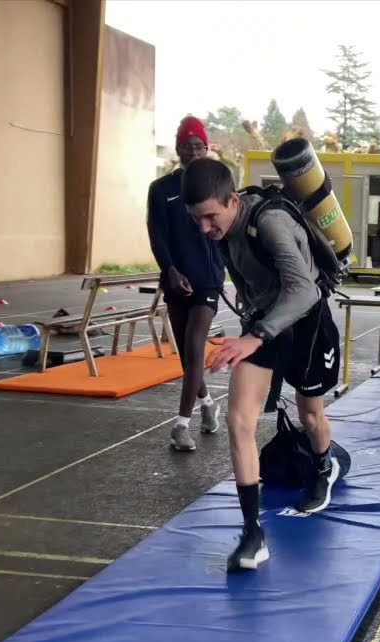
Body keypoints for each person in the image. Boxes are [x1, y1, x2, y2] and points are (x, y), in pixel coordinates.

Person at [181, 157, 343, 572]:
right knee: (239, 422)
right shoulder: (220, 230)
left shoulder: (268, 222)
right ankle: (253, 533)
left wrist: (255, 335)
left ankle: (323, 466)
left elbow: (304, 291)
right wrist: (252, 333)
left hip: (306, 323)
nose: (204, 228)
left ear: (232, 200)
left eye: (210, 217)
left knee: (310, 415)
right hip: (264, 326)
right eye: (196, 219)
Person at [147, 116, 226, 451]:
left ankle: (181, 425)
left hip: (207, 282)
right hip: (176, 281)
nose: (193, 152)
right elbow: (157, 234)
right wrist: (170, 270)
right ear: (178, 149)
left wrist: (224, 270)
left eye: (199, 146)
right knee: (186, 356)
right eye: (187, 146)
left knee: (195, 347)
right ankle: (209, 404)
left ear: (207, 150)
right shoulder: (162, 190)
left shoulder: (218, 186)